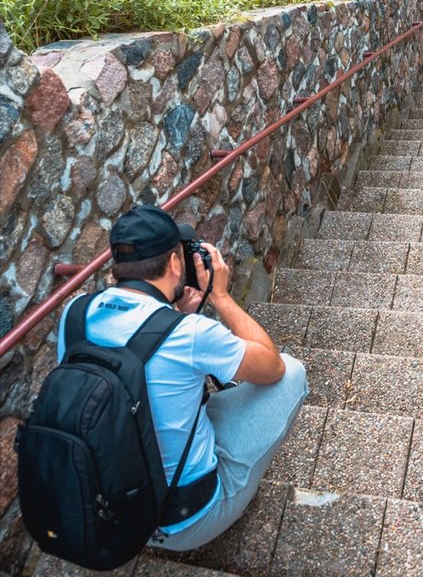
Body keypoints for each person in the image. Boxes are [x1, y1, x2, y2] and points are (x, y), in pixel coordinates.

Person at [56, 204, 308, 552]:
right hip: (185, 520)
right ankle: (233, 499)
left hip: (110, 510)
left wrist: (174, 316)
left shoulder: (75, 314)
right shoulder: (190, 335)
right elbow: (272, 367)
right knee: (293, 373)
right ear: (175, 263)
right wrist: (219, 296)